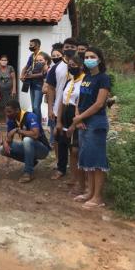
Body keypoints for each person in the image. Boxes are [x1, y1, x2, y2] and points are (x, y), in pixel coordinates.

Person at [67, 47, 110, 209]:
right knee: (88, 159)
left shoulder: (103, 78)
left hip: (96, 123)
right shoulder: (86, 78)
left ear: (99, 59)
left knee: (97, 161)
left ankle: (98, 197)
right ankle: (90, 192)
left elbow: (99, 103)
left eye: (92, 56)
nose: (89, 59)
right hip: (83, 123)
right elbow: (79, 99)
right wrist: (78, 118)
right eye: (86, 57)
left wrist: (80, 117)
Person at [53, 56, 86, 194]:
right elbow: (61, 101)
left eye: (74, 65)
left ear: (81, 66)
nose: (71, 67)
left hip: (77, 116)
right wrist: (58, 121)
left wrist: (75, 123)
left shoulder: (85, 81)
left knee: (75, 150)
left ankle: (81, 180)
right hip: (65, 114)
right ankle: (72, 177)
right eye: (69, 65)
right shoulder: (69, 81)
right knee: (63, 145)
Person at [46, 38, 78, 167]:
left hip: (75, 109)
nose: (69, 49)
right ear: (63, 49)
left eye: (72, 46)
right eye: (67, 47)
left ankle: (74, 164)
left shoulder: (80, 66)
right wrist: (50, 109)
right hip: (58, 109)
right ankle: (59, 163)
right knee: (58, 139)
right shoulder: (56, 68)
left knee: (73, 141)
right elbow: (51, 89)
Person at [1, 100, 50, 183]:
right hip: (29, 148)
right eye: (6, 112)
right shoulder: (11, 121)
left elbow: (35, 134)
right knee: (2, 149)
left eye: (9, 111)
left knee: (27, 140)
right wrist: (5, 142)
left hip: (42, 150)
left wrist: (17, 130)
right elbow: (9, 139)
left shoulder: (30, 116)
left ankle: (28, 173)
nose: (7, 114)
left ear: (17, 110)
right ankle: (31, 162)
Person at [43, 44, 65, 147]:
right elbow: (46, 88)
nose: (56, 57)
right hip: (54, 102)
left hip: (65, 101)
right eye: (53, 55)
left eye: (58, 55)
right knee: (53, 124)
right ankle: (52, 142)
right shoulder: (52, 69)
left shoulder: (70, 67)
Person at [20, 39, 45, 124]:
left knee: (36, 106)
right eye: (29, 45)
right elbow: (26, 66)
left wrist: (31, 76)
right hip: (31, 83)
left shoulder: (43, 56)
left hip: (40, 84)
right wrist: (22, 75)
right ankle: (35, 125)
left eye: (31, 45)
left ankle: (38, 126)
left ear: (37, 45)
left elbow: (44, 73)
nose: (30, 47)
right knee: (34, 107)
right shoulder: (32, 56)